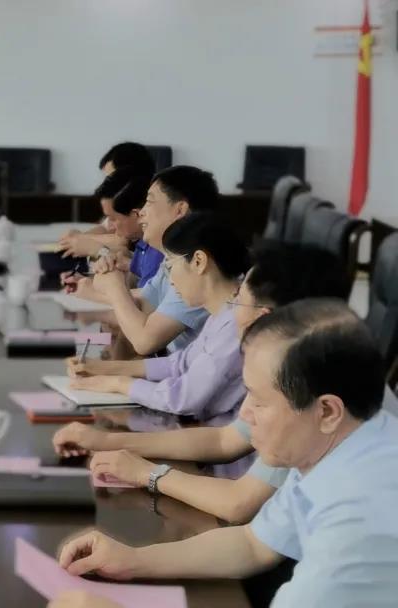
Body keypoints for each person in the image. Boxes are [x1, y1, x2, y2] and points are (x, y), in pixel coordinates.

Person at [56, 300, 398, 607]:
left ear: (327, 411)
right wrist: (133, 560)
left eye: (259, 401)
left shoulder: (358, 518)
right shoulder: (341, 442)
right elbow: (253, 544)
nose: (245, 414)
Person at [53, 244, 353, 523]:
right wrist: (107, 442)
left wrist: (147, 473)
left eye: (238, 299)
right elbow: (224, 440)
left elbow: (239, 503)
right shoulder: (297, 364)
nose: (231, 310)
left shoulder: (306, 393)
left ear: (263, 319)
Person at [67, 213, 250, 420]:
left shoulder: (236, 322)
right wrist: (104, 368)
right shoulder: (222, 313)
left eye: (170, 266)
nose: (170, 281)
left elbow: (182, 398)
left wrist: (117, 383)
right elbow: (180, 363)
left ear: (199, 261)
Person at [73, 166, 217, 354]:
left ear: (180, 209)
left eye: (149, 202)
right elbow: (142, 304)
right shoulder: (172, 259)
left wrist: (113, 285)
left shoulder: (197, 268)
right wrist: (94, 289)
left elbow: (145, 341)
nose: (141, 212)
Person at [56, 142, 156, 258]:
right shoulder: (123, 212)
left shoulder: (154, 230)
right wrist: (78, 240)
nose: (108, 183)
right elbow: (106, 228)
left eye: (112, 177)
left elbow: (121, 243)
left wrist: (92, 245)